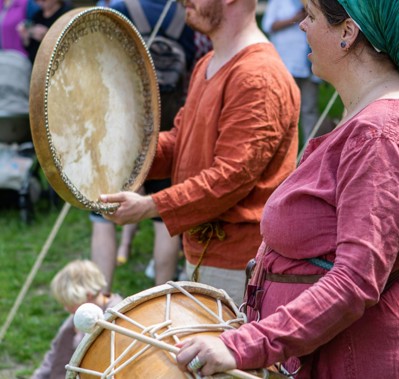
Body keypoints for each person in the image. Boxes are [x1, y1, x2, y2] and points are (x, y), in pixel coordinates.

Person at [173, 0, 399, 377]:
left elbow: (354, 281)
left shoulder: (382, 135)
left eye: (311, 16)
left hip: (376, 359)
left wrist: (245, 346)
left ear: (348, 32)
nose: (302, 27)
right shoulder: (379, 115)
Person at [101, 0, 300, 305]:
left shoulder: (258, 76)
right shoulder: (208, 62)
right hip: (205, 256)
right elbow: (181, 142)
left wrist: (150, 205)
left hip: (239, 267)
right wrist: (120, 151)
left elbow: (229, 177)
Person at [90, 0, 199, 290]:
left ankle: (101, 300)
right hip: (170, 124)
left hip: (121, 128)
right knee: (165, 217)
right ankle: (161, 299)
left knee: (102, 216)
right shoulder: (186, 14)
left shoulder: (119, 8)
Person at [31, 260, 122, 379]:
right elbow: (53, 357)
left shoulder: (117, 316)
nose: (66, 308)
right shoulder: (72, 323)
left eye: (69, 304)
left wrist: (80, 336)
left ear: (88, 295)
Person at [261, 0, 320, 143]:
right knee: (282, 110)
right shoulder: (278, 2)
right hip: (285, 65)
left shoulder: (315, 2)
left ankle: (310, 153)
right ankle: (281, 149)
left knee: (309, 109)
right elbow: (267, 26)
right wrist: (293, 19)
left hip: (310, 65)